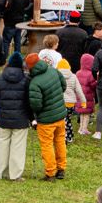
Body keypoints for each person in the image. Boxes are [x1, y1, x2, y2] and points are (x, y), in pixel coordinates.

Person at [0, 51, 34, 180]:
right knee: (18, 147)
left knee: (2, 144)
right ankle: (15, 174)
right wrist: (31, 117)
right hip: (21, 119)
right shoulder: (26, 80)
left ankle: (1, 172)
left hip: (3, 117)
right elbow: (29, 101)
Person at [28, 49, 69, 181]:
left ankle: (50, 172)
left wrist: (36, 115)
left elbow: (36, 105)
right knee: (60, 141)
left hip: (46, 120)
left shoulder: (35, 82)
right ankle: (61, 168)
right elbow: (64, 86)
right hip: (60, 114)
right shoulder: (53, 70)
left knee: (47, 145)